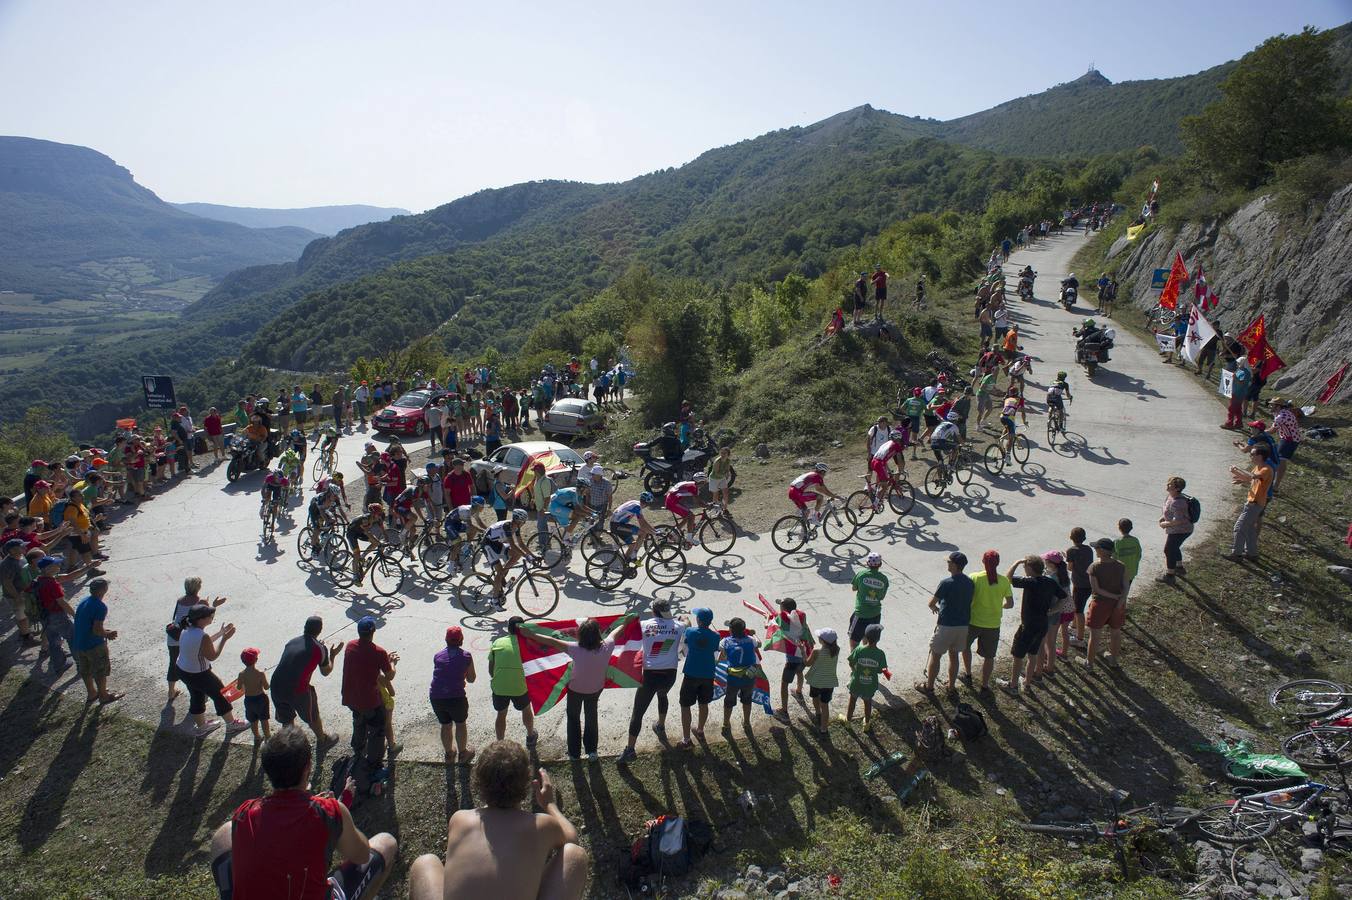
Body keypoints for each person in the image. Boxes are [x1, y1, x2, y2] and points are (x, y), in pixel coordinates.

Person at [210, 728, 398, 900]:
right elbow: (361, 855)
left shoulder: (244, 813)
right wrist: (341, 813)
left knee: (225, 833)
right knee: (387, 843)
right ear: (308, 766)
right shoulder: (328, 812)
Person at [408, 740, 588, 900]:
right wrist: (549, 804)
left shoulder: (459, 819)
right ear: (526, 783)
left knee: (425, 862)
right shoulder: (541, 825)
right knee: (575, 855)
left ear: (478, 781)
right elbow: (571, 839)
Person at [526, 617, 628, 760]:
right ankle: (592, 751)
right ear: (598, 634)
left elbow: (551, 641)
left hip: (575, 690)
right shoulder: (607, 646)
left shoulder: (574, 648)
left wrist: (530, 634)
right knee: (591, 717)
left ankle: (574, 754)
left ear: (581, 635)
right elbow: (616, 632)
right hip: (595, 689)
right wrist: (626, 622)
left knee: (573, 718)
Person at [620, 599, 682, 762]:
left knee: (638, 712)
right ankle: (660, 726)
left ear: (653, 612)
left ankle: (630, 749)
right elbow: (687, 622)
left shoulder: (644, 625)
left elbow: (626, 630)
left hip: (650, 676)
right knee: (662, 695)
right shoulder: (678, 626)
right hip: (669, 675)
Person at [175, 603, 250, 736]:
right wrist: (224, 639)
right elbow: (213, 655)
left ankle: (201, 726)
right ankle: (231, 724)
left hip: (183, 670)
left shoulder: (187, 629)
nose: (212, 617)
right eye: (210, 615)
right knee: (221, 694)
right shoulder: (201, 636)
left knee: (197, 695)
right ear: (201, 619)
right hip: (198, 674)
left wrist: (220, 633)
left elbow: (204, 642)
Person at [271, 616, 343, 743]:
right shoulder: (319, 648)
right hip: (298, 689)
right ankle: (322, 739)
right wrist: (332, 656)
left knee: (286, 719)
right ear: (320, 630)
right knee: (312, 716)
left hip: (276, 685)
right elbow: (325, 672)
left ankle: (289, 745)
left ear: (305, 627)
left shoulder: (292, 641)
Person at [1003, 555, 1066, 695]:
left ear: (1030, 568)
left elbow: (1007, 578)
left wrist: (1016, 562)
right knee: (1033, 654)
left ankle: (1013, 685)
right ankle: (1027, 683)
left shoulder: (1030, 582)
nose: (1024, 569)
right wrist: (1054, 610)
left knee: (1018, 656)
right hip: (1042, 624)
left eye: (1025, 567)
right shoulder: (1049, 582)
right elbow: (1063, 597)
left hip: (1028, 625)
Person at [342, 616, 397, 776]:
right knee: (377, 731)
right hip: (370, 700)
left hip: (351, 696)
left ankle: (358, 751)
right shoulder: (379, 652)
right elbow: (389, 676)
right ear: (373, 632)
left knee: (358, 721)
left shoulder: (350, 646)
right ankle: (375, 765)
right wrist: (392, 662)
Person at [919, 552, 972, 695]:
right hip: (963, 626)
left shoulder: (946, 582)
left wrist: (935, 608)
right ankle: (951, 686)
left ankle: (929, 687)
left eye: (949, 562)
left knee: (935, 656)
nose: (947, 564)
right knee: (954, 655)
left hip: (946, 625)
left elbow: (931, 603)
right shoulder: (969, 582)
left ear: (954, 565)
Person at [962, 550, 1013, 692]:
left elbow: (967, 597)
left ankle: (968, 673)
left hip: (973, 621)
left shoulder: (974, 577)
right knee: (989, 656)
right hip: (993, 624)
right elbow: (1010, 604)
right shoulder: (1004, 581)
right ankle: (984, 685)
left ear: (983, 561)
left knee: (965, 647)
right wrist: (998, 605)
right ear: (998, 563)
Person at [430, 625, 476, 764]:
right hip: (456, 697)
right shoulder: (466, 656)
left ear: (446, 639)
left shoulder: (438, 656)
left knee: (445, 724)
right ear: (461, 640)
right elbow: (471, 679)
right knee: (460, 724)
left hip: (436, 696)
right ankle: (463, 754)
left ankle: (449, 754)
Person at [71, 577, 122, 704]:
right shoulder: (100, 606)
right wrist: (108, 634)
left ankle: (92, 693)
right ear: (103, 590)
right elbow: (97, 630)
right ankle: (104, 696)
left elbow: (87, 623)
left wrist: (104, 631)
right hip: (94, 645)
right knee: (100, 671)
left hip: (80, 643)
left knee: (85, 670)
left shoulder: (84, 601)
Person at [488, 616, 538, 746]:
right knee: (526, 710)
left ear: (508, 629)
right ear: (523, 629)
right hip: (520, 687)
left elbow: (490, 670)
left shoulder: (497, 643)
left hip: (500, 687)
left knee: (501, 714)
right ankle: (530, 735)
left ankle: (500, 743)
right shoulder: (527, 644)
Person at [678, 607, 720, 748]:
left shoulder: (691, 632)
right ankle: (700, 730)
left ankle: (686, 739)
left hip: (691, 674)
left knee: (685, 705)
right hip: (708, 675)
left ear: (698, 620)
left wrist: (684, 618)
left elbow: (686, 625)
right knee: (703, 703)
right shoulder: (715, 636)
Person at [1083, 538, 1127, 670]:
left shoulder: (1094, 567)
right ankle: (1113, 660)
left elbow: (1096, 589)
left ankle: (1089, 663)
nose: (1095, 550)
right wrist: (1120, 601)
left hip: (1100, 605)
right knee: (1115, 632)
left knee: (1095, 635)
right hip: (1118, 604)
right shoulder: (1121, 565)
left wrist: (1113, 596)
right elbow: (1126, 586)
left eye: (1096, 548)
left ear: (1102, 551)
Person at [1226, 446, 1274, 561]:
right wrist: (1240, 479)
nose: (1250, 456)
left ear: (1260, 456)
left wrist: (1236, 470)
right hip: (1252, 503)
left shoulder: (1266, 469)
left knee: (1239, 527)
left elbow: (1253, 477)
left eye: (1252, 454)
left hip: (1255, 504)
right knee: (1249, 529)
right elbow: (1250, 479)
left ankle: (1236, 554)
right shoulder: (1258, 467)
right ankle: (1252, 553)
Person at [843, 624, 886, 730]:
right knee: (868, 703)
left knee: (852, 700)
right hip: (870, 684)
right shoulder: (880, 654)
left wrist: (855, 670)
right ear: (878, 639)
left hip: (856, 682)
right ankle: (866, 724)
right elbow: (881, 670)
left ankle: (848, 721)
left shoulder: (859, 649)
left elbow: (851, 662)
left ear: (865, 637)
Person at [803, 628, 840, 735]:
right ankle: (824, 728)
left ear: (823, 641)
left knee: (815, 698)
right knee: (825, 705)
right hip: (829, 683)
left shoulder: (816, 652)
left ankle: (818, 712)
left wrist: (802, 650)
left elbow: (807, 663)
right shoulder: (837, 650)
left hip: (816, 681)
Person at [1158, 476, 1194, 584]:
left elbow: (1177, 521)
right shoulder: (1170, 497)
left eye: (1170, 485)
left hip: (1181, 530)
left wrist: (1165, 524)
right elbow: (1168, 510)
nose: (1167, 486)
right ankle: (1179, 567)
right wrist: (1163, 517)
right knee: (1174, 547)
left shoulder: (1178, 503)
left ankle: (1170, 575)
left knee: (1168, 550)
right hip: (1176, 529)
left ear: (1177, 489)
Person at [849, 552, 889, 649]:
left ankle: (854, 658)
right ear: (880, 564)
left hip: (861, 614)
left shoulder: (861, 574)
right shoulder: (884, 579)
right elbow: (882, 597)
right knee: (869, 641)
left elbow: (854, 588)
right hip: (875, 615)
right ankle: (865, 655)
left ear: (867, 564)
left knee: (854, 640)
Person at [1064, 528, 1094, 648]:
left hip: (1079, 584)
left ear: (1071, 537)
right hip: (1089, 582)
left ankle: (1080, 638)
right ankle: (1074, 626)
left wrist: (1066, 558)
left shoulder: (1071, 551)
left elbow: (1070, 568)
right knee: (1077, 605)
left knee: (1079, 610)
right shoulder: (1089, 549)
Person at [663, 473, 707, 546]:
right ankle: (689, 539)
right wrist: (708, 506)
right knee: (691, 516)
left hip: (672, 499)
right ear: (701, 482)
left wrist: (705, 504)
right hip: (673, 501)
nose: (705, 484)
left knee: (687, 518)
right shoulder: (694, 487)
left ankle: (673, 533)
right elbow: (698, 502)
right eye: (704, 482)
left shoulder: (691, 484)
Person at [1272, 397, 1302, 492]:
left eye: (1272, 404)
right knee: (1278, 459)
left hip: (1289, 440)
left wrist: (1260, 431)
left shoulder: (1281, 417)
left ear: (1278, 406)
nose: (1270, 406)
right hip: (1289, 438)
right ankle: (1273, 483)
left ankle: (1275, 486)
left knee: (1281, 461)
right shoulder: (1285, 412)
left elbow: (1272, 430)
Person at [1114, 519, 1142, 605]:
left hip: (1120, 572)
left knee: (1118, 591)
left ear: (1119, 528)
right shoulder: (1135, 540)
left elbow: (1114, 556)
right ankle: (1123, 607)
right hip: (1132, 571)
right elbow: (1139, 555)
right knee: (1126, 590)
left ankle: (1117, 608)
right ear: (1131, 528)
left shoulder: (1117, 542)